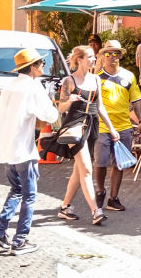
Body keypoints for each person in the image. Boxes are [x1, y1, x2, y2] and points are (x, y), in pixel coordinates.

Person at [0, 48, 60, 255]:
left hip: (7, 150)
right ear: (34, 66)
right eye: (42, 63)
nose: (44, 66)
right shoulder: (33, 87)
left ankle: (0, 231)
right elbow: (50, 114)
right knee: (29, 195)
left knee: (16, 190)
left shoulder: (10, 86)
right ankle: (20, 240)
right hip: (24, 150)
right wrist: (54, 102)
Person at [48, 46, 112, 226]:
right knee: (86, 169)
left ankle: (65, 207)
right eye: (90, 57)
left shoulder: (96, 79)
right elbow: (60, 108)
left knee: (79, 169)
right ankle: (95, 210)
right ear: (80, 59)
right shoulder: (69, 81)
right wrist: (70, 100)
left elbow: (100, 107)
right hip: (74, 127)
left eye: (94, 57)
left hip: (92, 126)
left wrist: (112, 129)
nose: (94, 59)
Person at [95, 40, 141, 212]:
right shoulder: (97, 78)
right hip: (102, 126)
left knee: (119, 164)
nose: (112, 57)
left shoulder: (129, 76)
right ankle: (100, 190)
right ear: (102, 56)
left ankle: (113, 198)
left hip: (123, 126)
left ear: (121, 56)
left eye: (115, 53)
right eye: (108, 53)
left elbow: (136, 100)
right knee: (100, 162)